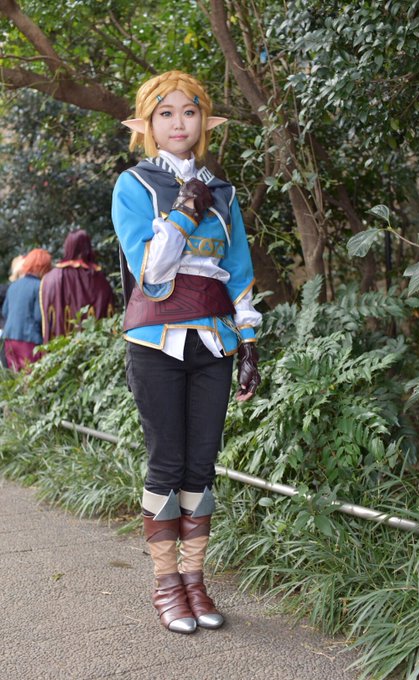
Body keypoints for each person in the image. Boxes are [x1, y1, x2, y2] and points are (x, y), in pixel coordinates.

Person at [112, 70, 262, 634]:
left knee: (201, 465)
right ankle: (166, 585)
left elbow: (238, 270)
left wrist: (248, 342)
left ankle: (196, 582)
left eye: (190, 111)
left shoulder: (224, 192)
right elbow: (151, 271)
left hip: (214, 340)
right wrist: (183, 211)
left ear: (204, 122)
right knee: (166, 463)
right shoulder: (134, 185)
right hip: (156, 339)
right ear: (148, 124)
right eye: (166, 112)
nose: (179, 123)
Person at [40, 229, 114, 342]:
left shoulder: (51, 278)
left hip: (61, 347)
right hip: (94, 345)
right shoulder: (99, 279)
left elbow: (48, 323)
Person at [2, 249, 52, 371]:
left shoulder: (13, 285)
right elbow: (39, 317)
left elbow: (5, 312)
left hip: (9, 339)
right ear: (43, 267)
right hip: (29, 340)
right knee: (32, 378)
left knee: (15, 378)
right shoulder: (39, 286)